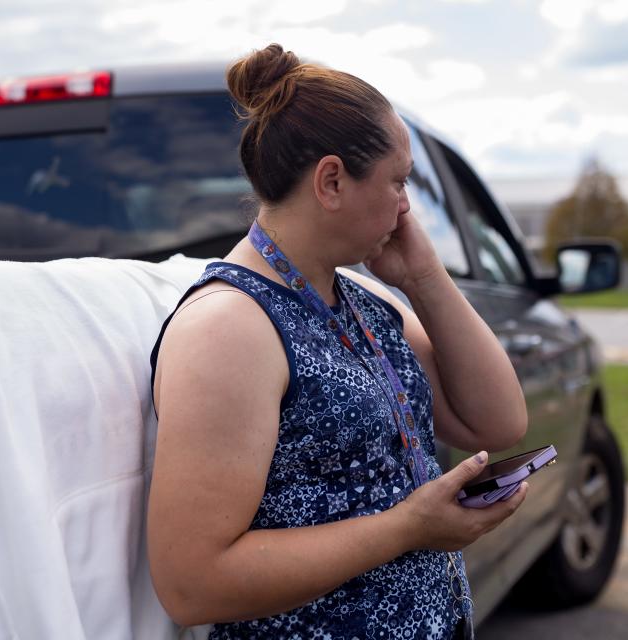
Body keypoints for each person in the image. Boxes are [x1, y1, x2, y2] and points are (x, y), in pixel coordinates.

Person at [147, 43, 529, 640]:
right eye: (398, 182)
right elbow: (191, 584)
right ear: (331, 181)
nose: (407, 208)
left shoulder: (363, 303)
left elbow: (497, 423)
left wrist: (426, 280)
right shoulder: (231, 327)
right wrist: (409, 528)